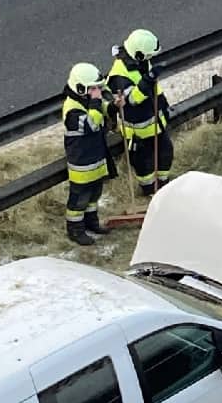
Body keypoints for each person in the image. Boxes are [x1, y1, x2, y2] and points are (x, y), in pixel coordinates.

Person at [106, 28, 173, 196]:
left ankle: (164, 187)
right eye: (149, 56)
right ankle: (150, 191)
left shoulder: (140, 62)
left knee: (165, 155)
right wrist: (148, 79)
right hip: (138, 132)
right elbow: (132, 100)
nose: (151, 59)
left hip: (156, 123)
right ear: (139, 54)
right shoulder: (119, 76)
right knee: (145, 165)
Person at [62, 62, 112, 246]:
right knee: (79, 201)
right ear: (81, 88)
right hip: (81, 165)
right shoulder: (72, 110)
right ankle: (75, 230)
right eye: (93, 88)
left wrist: (113, 105)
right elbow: (91, 123)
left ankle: (92, 223)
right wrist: (97, 101)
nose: (96, 91)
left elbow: (103, 110)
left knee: (94, 196)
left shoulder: (85, 100)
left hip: (95, 160)